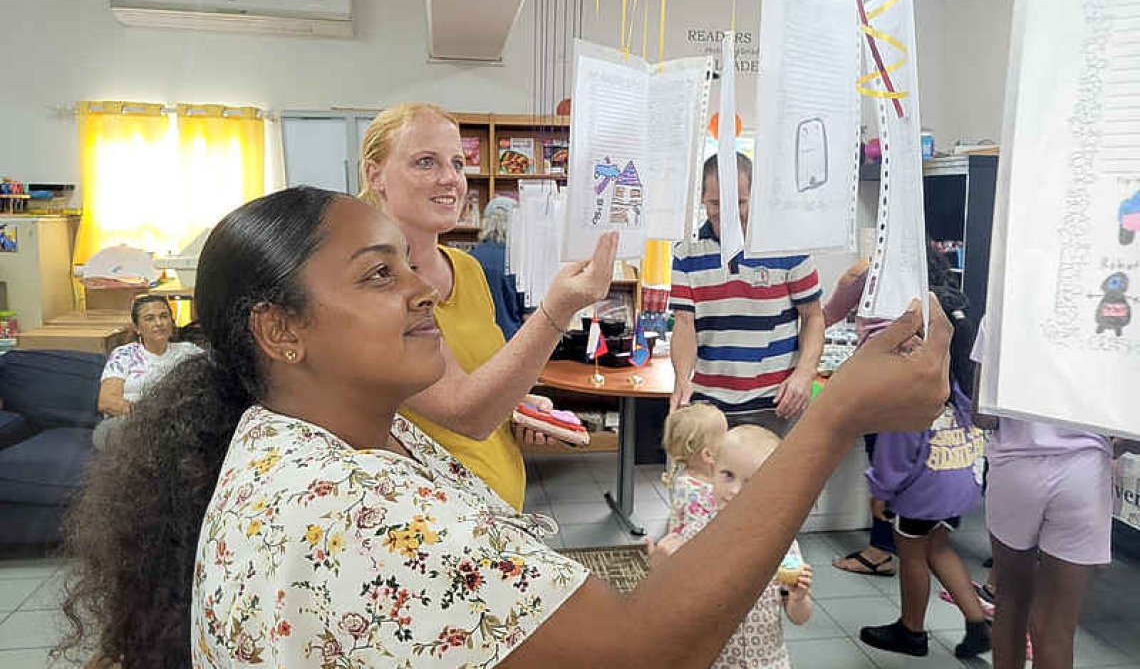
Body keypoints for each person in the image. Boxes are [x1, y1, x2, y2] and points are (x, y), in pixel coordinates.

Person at [55, 187, 955, 669]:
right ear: (279, 330)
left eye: (411, 266)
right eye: (379, 275)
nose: (421, 286)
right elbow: (647, 654)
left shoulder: (316, 438)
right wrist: (836, 417)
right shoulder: (348, 507)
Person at [358, 102, 614, 511]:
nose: (450, 179)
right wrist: (558, 309)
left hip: (498, 510)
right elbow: (465, 412)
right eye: (426, 162)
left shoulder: (468, 269)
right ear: (376, 175)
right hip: (434, 521)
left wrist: (518, 407)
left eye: (458, 163)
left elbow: (480, 381)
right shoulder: (374, 287)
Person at [971, 314, 1113, 669]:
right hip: (1083, 474)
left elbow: (982, 415)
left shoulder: (1003, 310)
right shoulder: (1116, 315)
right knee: (1057, 627)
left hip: (1015, 469)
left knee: (1011, 603)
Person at [859, 286, 991, 659]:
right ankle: (977, 622)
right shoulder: (961, 386)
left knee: (912, 555)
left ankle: (911, 630)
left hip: (923, 493)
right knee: (939, 548)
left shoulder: (913, 392)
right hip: (956, 488)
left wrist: (880, 492)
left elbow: (895, 455)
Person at [669, 153, 824, 434]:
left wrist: (804, 373)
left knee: (776, 479)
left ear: (755, 197)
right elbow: (684, 323)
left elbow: (813, 317)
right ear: (702, 199)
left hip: (776, 402)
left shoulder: (786, 244)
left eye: (738, 203)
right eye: (716, 203)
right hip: (708, 406)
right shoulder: (686, 252)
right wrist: (682, 378)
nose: (727, 213)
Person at [650, 425, 814, 669]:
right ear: (712, 471)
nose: (735, 491)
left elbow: (798, 617)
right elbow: (667, 608)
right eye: (727, 475)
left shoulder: (782, 543)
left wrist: (798, 598)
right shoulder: (695, 536)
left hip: (768, 663)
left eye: (752, 481)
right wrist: (661, 569)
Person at [822, 259, 898, 576]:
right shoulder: (928, 267)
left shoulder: (865, 270)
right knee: (904, 466)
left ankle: (881, 551)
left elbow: (827, 314)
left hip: (880, 382)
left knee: (883, 465)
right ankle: (903, 545)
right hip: (922, 383)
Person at [93, 294, 200, 451]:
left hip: (177, 423)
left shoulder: (189, 352)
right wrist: (151, 415)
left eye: (164, 316)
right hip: (129, 423)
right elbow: (107, 401)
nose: (159, 323)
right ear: (137, 328)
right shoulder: (124, 354)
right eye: (149, 318)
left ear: (172, 322)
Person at [660, 403, 728, 540]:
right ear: (708, 455)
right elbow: (697, 534)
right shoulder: (697, 491)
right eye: (726, 436)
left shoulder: (693, 479)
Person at [468, 196, 526, 339]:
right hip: (510, 343)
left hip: (475, 343)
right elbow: (530, 316)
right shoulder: (519, 261)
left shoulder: (468, 258)